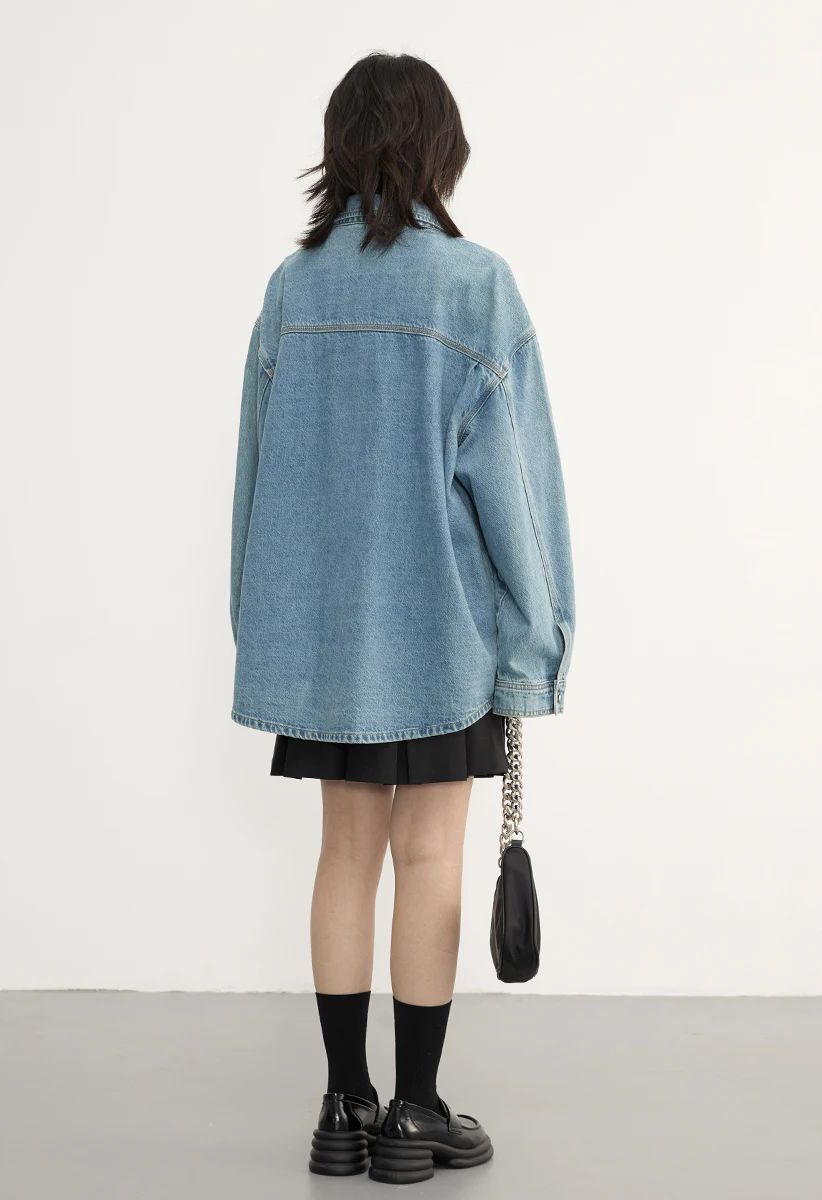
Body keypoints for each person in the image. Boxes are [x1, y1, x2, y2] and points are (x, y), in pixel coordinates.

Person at [229, 52, 574, 1185]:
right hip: (440, 639)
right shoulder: (475, 287)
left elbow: (253, 481)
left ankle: (343, 1105)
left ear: (338, 148)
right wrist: (537, 643)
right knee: (429, 857)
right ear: (440, 149)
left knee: (344, 855)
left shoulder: (293, 291)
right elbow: (520, 495)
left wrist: (261, 630)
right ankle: (415, 1113)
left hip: (323, 643)